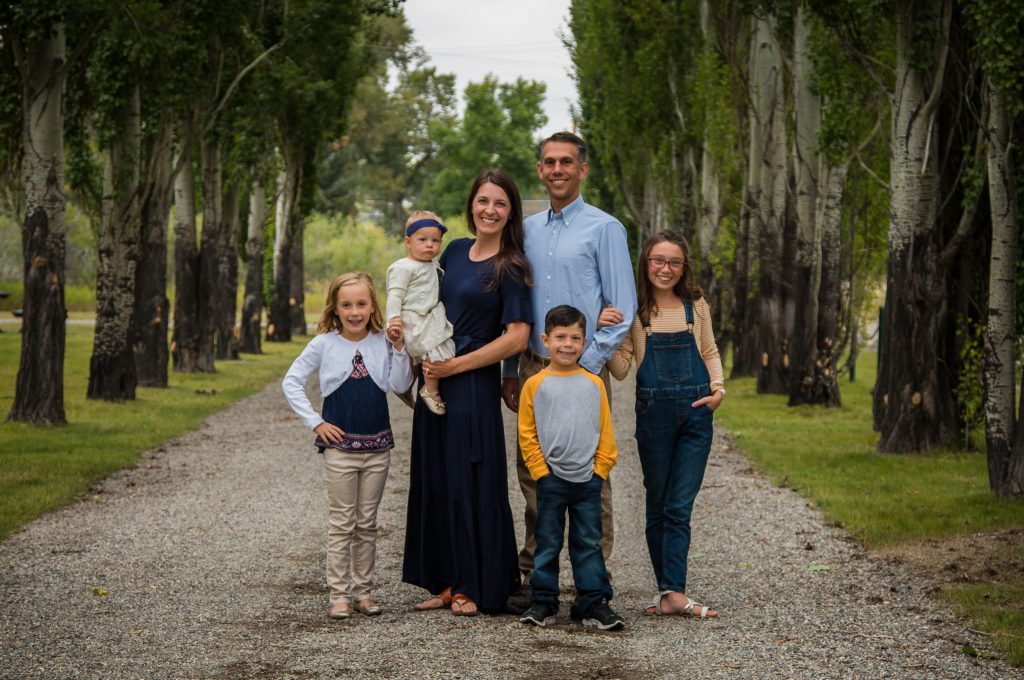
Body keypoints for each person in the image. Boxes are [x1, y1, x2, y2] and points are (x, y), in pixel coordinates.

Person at [500, 131, 636, 613]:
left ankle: (592, 583)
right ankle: (537, 580)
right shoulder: (526, 232)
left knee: (588, 472)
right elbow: (512, 307)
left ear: (582, 169)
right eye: (548, 162)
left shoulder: (605, 229)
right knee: (534, 472)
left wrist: (589, 366)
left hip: (585, 370)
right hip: (534, 367)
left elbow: (623, 303)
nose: (557, 169)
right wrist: (511, 368)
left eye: (566, 162)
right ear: (539, 169)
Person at [402, 169, 533, 616]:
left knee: (469, 480)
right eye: (482, 201)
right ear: (471, 205)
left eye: (499, 203)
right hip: (434, 375)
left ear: (510, 210)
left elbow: (517, 336)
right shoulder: (454, 250)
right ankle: (445, 580)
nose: (489, 210)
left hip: (472, 380)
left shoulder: (511, 265)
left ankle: (474, 585)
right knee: (436, 476)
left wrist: (457, 364)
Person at [603, 230, 724, 619]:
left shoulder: (696, 305)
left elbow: (708, 350)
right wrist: (606, 331)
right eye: (658, 260)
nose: (665, 269)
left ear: (683, 266)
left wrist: (718, 390)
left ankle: (674, 591)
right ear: (645, 264)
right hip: (653, 416)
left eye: (674, 262)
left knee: (678, 504)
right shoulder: (635, 311)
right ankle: (667, 591)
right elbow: (621, 370)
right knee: (657, 503)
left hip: (695, 415)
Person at [282, 272, 413, 620]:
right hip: (340, 450)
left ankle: (363, 592)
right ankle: (339, 594)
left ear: (372, 306)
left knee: (367, 522)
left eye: (361, 304)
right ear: (335, 308)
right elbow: (291, 381)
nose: (355, 311)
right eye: (346, 305)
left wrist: (400, 349)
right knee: (343, 522)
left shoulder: (384, 341)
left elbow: (400, 384)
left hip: (377, 448)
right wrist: (316, 422)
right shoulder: (323, 344)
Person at [517, 305, 624, 631]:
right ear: (545, 339)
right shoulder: (535, 384)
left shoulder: (593, 383)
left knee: (588, 543)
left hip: (588, 480)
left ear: (584, 340)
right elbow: (527, 433)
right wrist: (540, 471)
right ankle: (544, 601)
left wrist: (600, 469)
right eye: (560, 337)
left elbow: (605, 431)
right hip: (551, 479)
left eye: (575, 338)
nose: (567, 344)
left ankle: (593, 601)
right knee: (547, 542)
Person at [385, 210, 456, 415]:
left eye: (436, 240)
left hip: (429, 315)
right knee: (432, 349)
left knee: (438, 350)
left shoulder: (433, 264)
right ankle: (430, 389)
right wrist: (393, 320)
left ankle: (408, 388)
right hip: (413, 317)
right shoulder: (404, 267)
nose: (430, 245)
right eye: (423, 239)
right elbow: (395, 295)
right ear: (408, 242)